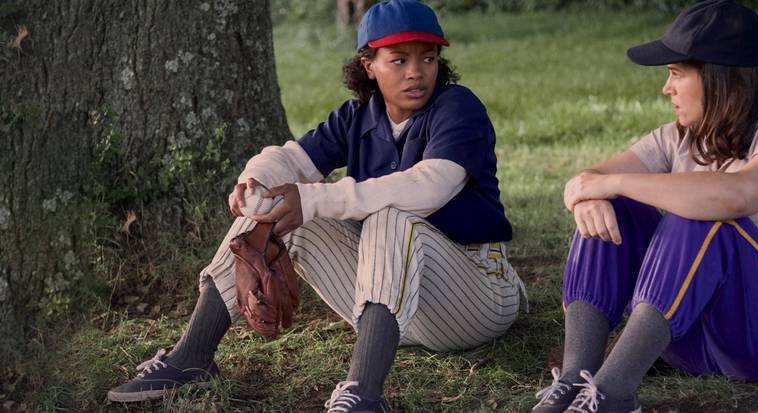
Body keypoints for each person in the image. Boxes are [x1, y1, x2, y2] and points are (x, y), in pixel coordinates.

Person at [107, 0, 527, 410]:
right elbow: (289, 159)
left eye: (428, 58)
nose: (417, 72)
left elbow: (430, 186)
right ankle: (192, 356)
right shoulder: (358, 116)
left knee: (390, 214)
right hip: (392, 314)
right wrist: (254, 184)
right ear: (369, 66)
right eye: (399, 60)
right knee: (278, 206)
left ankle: (363, 393)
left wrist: (314, 197)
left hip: (476, 294)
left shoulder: (457, 107)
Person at [531, 1, 758, 412]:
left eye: (675, 74)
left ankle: (613, 395)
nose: (665, 88)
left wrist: (610, 183)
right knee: (616, 206)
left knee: (702, 213)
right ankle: (575, 379)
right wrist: (590, 195)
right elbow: (582, 180)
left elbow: (737, 194)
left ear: (720, 78)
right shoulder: (680, 136)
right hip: (696, 338)